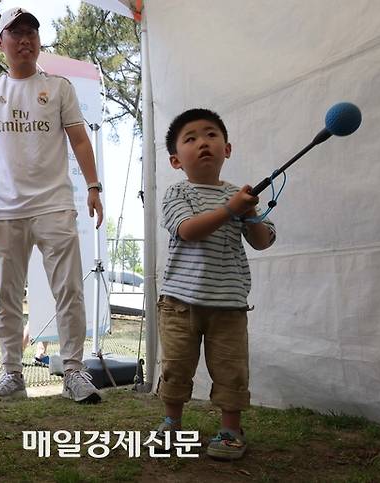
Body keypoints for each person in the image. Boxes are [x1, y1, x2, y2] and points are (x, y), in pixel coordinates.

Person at [0, 7, 104, 403]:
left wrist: (94, 185)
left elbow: (80, 139)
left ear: (38, 41)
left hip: (55, 205)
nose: (25, 40)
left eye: (31, 33)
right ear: (1, 43)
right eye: (16, 34)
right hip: (6, 210)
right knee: (6, 295)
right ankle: (12, 375)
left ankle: (74, 372)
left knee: (69, 290)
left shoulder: (60, 88)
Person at [155, 108, 276, 460]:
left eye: (211, 134)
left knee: (230, 368)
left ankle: (230, 430)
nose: (202, 142)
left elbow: (263, 241)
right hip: (179, 302)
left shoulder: (241, 195)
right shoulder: (177, 194)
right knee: (176, 366)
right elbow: (188, 230)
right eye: (190, 138)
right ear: (177, 160)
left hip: (229, 305)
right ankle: (171, 423)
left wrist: (250, 213)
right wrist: (230, 209)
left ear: (227, 149)